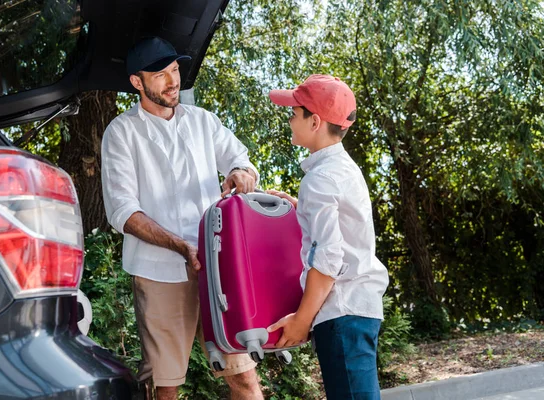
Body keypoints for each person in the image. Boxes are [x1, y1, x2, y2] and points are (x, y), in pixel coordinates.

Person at [101, 36, 263, 400]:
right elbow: (122, 211)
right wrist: (181, 246)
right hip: (158, 273)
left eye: (174, 70)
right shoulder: (121, 133)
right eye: (160, 74)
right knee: (165, 388)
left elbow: (241, 160)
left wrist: (240, 172)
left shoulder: (204, 121)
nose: (172, 81)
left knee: (244, 377)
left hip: (217, 271)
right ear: (136, 82)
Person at [265, 74, 389, 399]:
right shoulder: (343, 169)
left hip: (342, 314)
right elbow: (345, 231)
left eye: (294, 112)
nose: (290, 119)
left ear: (315, 121)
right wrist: (301, 208)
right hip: (357, 310)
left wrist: (301, 320)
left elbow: (329, 258)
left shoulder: (320, 179)